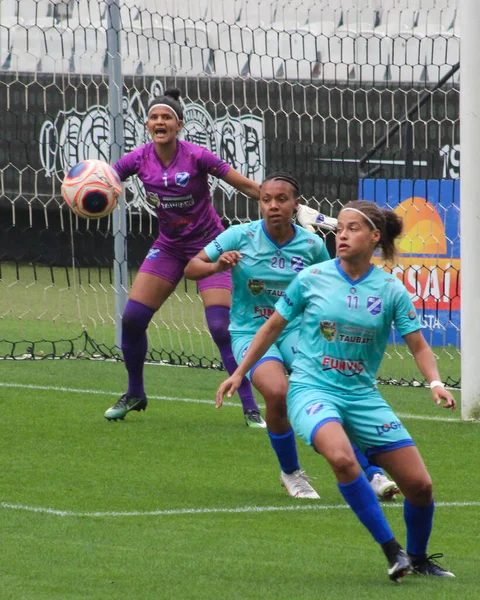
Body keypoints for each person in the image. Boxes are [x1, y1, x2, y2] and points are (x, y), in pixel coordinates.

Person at [217, 199, 456, 580]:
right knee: (343, 460)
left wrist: (436, 382)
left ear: (375, 237)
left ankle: (420, 557)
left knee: (421, 486)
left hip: (362, 396)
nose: (342, 235)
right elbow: (271, 327)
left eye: (352, 229)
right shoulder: (312, 278)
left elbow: (419, 346)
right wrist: (240, 372)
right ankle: (392, 551)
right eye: (340, 228)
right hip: (313, 391)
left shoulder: (390, 290)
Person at [186, 178, 400, 501]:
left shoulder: (312, 246)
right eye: (266, 199)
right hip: (250, 331)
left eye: (281, 199)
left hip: (297, 331)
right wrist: (217, 264)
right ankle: (291, 473)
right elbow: (192, 267)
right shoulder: (239, 236)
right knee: (276, 391)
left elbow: (333, 284)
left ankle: (371, 473)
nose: (273, 205)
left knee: (331, 391)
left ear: (295, 204)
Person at [103, 88, 264, 427]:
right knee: (131, 319)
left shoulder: (197, 156)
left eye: (167, 118)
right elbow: (105, 179)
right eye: (154, 117)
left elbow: (246, 186)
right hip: (170, 247)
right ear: (147, 124)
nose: (159, 122)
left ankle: (250, 406)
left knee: (221, 327)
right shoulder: (137, 159)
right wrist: (86, 190)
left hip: (210, 246)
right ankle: (135, 392)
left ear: (178, 125)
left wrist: (274, 201)